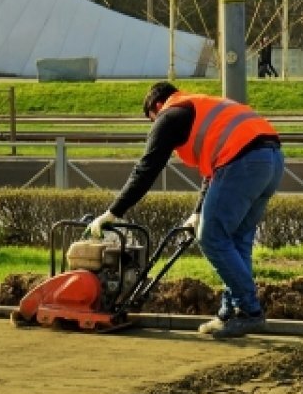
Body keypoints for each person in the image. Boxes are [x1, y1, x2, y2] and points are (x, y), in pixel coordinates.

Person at [88, 82, 284, 338]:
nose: (154, 126)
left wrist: (113, 212)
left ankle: (249, 311)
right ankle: (231, 313)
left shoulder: (169, 115)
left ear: (156, 106)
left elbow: (147, 169)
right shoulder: (199, 106)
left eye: (152, 121)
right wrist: (198, 211)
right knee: (236, 241)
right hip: (272, 160)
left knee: (212, 238)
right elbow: (211, 166)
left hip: (243, 162)